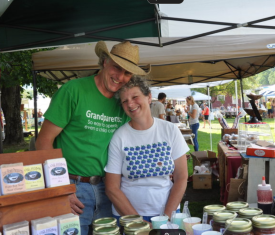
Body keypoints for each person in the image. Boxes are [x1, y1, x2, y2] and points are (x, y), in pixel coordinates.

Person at [35, 40, 149, 235]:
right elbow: (43, 142)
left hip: (110, 189)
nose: (120, 77)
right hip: (73, 187)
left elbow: (139, 134)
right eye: (116, 68)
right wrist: (62, 189)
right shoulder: (73, 90)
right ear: (104, 62)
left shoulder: (122, 101)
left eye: (127, 73)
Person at [105, 76, 188, 221]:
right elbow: (112, 188)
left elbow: (181, 177)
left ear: (149, 97)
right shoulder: (119, 137)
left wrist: (166, 217)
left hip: (168, 212)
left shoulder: (170, 130)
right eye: (125, 101)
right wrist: (138, 223)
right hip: (129, 216)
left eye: (135, 97)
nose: (130, 104)